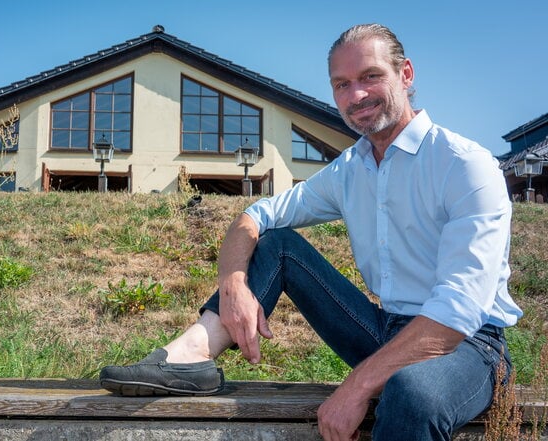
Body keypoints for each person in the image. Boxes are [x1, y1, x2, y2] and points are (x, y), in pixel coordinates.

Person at [100, 23, 522, 441]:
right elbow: (254, 216)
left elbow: (458, 311)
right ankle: (192, 356)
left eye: (370, 76)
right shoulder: (350, 169)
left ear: (405, 75)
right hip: (386, 329)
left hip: (468, 347)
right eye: (342, 84)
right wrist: (232, 284)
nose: (355, 96)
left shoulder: (463, 163)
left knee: (411, 392)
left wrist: (355, 387)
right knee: (279, 244)